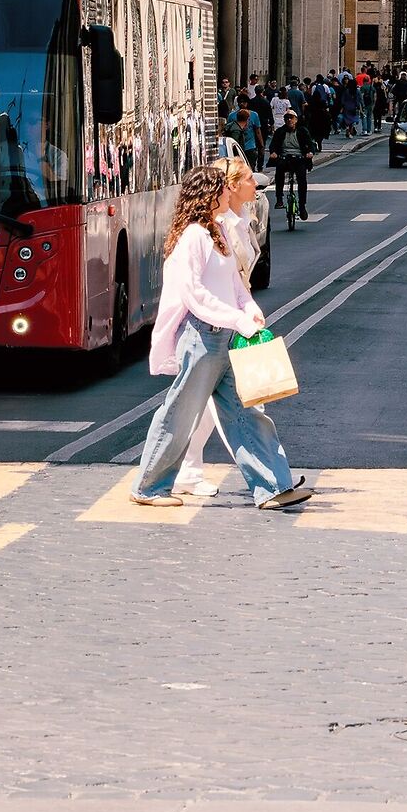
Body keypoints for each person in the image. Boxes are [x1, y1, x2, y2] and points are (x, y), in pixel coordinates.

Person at [131, 164, 311, 510]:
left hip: (227, 337)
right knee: (180, 414)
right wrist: (236, 318)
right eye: (223, 190)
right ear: (208, 195)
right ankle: (149, 487)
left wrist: (249, 309)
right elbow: (194, 295)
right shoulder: (193, 237)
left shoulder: (217, 233)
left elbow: (233, 284)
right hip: (202, 338)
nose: (230, 193)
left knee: (247, 413)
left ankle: (273, 487)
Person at [268, 108, 311, 220]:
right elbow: (273, 145)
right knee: (279, 173)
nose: (289, 120)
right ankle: (279, 199)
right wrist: (273, 153)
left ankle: (302, 206)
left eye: (291, 118)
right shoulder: (280, 132)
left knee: (302, 180)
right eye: (286, 118)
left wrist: (310, 152)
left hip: (299, 158)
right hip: (285, 158)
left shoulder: (302, 131)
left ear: (296, 120)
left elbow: (310, 144)